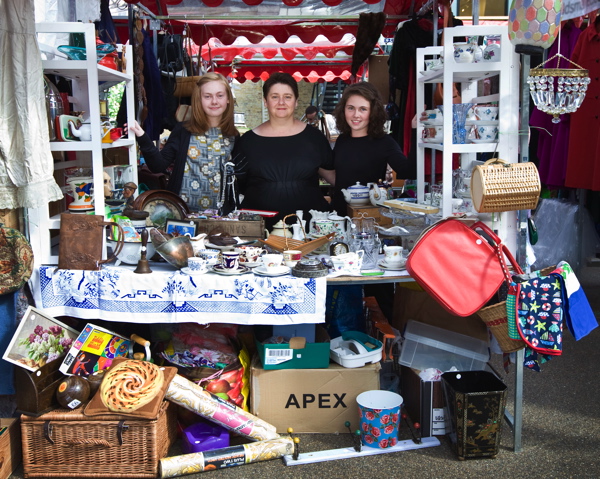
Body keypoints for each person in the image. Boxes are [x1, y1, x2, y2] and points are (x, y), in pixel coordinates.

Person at [233, 72, 334, 229]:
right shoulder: (247, 141)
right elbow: (239, 186)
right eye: (275, 97)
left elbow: (333, 177)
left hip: (309, 228)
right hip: (259, 229)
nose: (281, 102)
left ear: (296, 101)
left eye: (287, 97)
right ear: (265, 101)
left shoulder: (314, 138)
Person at [127, 73, 239, 214]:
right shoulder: (183, 130)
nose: (214, 101)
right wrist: (142, 137)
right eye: (207, 96)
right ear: (199, 99)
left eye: (220, 95)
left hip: (220, 216)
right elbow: (158, 165)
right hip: (182, 214)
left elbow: (238, 178)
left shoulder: (233, 136)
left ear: (228, 99)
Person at [327, 82, 415, 217]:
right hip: (339, 216)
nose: (356, 114)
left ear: (373, 112)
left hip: (368, 218)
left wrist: (416, 132)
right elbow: (338, 177)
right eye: (351, 108)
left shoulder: (384, 142)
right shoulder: (342, 140)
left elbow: (409, 171)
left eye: (363, 109)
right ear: (343, 110)